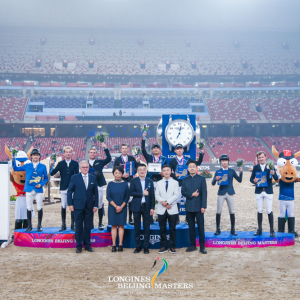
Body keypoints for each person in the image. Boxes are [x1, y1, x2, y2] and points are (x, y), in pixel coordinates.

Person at [12, 148, 48, 232]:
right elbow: (16, 169)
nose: (35, 156)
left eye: (37, 155)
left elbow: (46, 178)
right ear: (31, 156)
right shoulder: (27, 166)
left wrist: (41, 184)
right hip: (29, 188)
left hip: (38, 188)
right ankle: (29, 225)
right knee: (28, 207)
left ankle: (39, 225)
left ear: (39, 156)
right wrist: (13, 159)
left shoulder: (43, 166)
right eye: (34, 155)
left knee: (39, 207)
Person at [67, 160, 98, 253]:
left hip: (89, 206)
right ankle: (79, 245)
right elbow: (69, 191)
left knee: (88, 226)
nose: (85, 169)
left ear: (89, 168)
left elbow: (96, 193)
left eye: (87, 167)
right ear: (80, 168)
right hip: (77, 206)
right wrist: (70, 204)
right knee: (79, 226)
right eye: (83, 167)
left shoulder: (93, 178)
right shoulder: (75, 177)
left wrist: (96, 205)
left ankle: (88, 245)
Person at [169, 144, 205, 224]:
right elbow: (167, 171)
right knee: (176, 201)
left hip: (187, 183)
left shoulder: (188, 160)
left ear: (183, 150)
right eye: (177, 149)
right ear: (175, 151)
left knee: (187, 200)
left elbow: (198, 163)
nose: (179, 150)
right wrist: (174, 175)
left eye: (180, 149)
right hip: (177, 184)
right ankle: (176, 218)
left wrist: (201, 154)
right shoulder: (172, 161)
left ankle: (188, 218)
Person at [212, 154, 243, 236]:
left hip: (230, 193)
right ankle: (218, 229)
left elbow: (239, 180)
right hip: (221, 193)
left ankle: (233, 229)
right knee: (218, 211)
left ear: (228, 161)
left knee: (232, 211)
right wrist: (215, 179)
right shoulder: (218, 171)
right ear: (221, 162)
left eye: (226, 160)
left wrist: (241, 172)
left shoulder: (232, 171)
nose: (224, 162)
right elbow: (212, 183)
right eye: (223, 161)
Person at [50, 146, 79, 231]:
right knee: (63, 206)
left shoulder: (75, 163)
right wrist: (52, 165)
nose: (68, 153)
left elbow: (77, 176)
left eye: (70, 152)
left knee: (72, 206)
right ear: (64, 153)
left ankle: (73, 225)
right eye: (67, 152)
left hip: (73, 188)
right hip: (63, 187)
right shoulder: (60, 164)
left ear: (71, 153)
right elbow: (52, 173)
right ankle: (63, 224)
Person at [250, 151, 278, 237]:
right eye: (259, 157)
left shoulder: (271, 166)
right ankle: (259, 229)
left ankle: (272, 230)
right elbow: (251, 179)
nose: (261, 159)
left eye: (262, 157)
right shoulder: (255, 167)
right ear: (257, 159)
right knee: (260, 210)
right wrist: (254, 180)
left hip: (268, 191)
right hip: (259, 191)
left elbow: (276, 178)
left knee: (269, 210)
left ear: (265, 157)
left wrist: (273, 174)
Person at [182, 160, 207, 254]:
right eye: (190, 167)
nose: (191, 168)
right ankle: (192, 245)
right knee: (191, 227)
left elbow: (204, 193)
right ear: (187, 169)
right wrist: (191, 194)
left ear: (196, 168)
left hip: (199, 207)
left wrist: (203, 206)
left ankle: (202, 246)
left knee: (201, 227)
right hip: (189, 207)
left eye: (193, 166)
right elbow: (183, 192)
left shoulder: (201, 178)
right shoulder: (185, 179)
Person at [129, 164, 155, 254]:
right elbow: (131, 192)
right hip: (136, 206)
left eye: (144, 169)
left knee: (146, 227)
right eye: (140, 169)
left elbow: (152, 195)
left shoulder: (150, 181)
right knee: (137, 227)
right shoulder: (133, 181)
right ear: (137, 171)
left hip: (147, 207)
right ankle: (138, 246)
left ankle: (146, 247)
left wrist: (152, 207)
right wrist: (142, 193)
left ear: (146, 170)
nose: (142, 171)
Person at [155, 165, 179, 254]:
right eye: (164, 171)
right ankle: (163, 246)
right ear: (162, 172)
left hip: (172, 208)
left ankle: (172, 246)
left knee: (173, 228)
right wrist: (163, 202)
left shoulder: (175, 182)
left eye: (167, 170)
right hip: (161, 208)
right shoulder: (158, 183)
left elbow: (176, 195)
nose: (166, 172)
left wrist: (168, 202)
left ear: (170, 171)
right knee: (162, 228)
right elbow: (157, 195)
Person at [114, 143, 140, 225]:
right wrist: (122, 175)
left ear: (128, 149)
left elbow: (137, 169)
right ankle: (122, 217)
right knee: (122, 200)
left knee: (131, 200)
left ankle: (130, 218)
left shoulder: (132, 158)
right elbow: (115, 171)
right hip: (121, 182)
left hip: (131, 181)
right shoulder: (117, 160)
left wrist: (138, 162)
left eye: (126, 148)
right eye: (123, 148)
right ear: (120, 149)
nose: (124, 149)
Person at [87, 144, 111, 230]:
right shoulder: (85, 163)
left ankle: (100, 223)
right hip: (89, 186)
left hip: (99, 185)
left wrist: (105, 148)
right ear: (88, 153)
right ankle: (91, 223)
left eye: (94, 153)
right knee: (90, 204)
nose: (93, 154)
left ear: (96, 154)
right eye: (91, 152)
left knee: (100, 204)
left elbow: (109, 158)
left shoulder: (100, 162)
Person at [106, 166, 129, 252]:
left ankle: (120, 244)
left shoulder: (125, 184)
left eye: (119, 173)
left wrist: (121, 206)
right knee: (114, 226)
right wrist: (116, 206)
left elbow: (127, 197)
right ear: (113, 174)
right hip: (113, 208)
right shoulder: (110, 184)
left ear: (122, 174)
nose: (118, 175)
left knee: (121, 226)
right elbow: (108, 196)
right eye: (116, 173)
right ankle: (113, 244)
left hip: (122, 207)